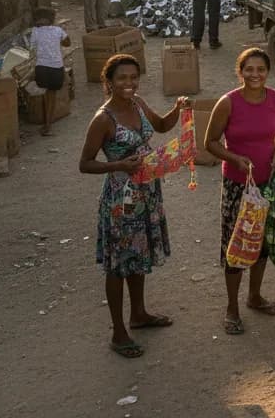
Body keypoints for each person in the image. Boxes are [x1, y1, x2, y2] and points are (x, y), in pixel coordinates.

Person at [79, 54, 189, 358]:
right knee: (117, 265)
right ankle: (118, 332)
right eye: (122, 78)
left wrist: (178, 109)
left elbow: (162, 125)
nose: (129, 83)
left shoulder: (137, 103)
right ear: (108, 81)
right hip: (121, 200)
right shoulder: (103, 119)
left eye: (133, 77)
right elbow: (85, 164)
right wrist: (118, 165)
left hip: (146, 192)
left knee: (137, 255)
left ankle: (138, 314)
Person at [204, 47, 275, 336]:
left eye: (261, 69)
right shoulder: (228, 102)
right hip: (237, 186)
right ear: (240, 72)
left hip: (267, 184)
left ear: (268, 72)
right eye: (249, 69)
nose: (255, 74)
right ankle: (232, 308)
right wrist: (234, 158)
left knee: (262, 243)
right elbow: (210, 142)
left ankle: (254, 296)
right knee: (236, 246)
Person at [30, 7, 71, 136]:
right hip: (56, 68)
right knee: (51, 95)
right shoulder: (58, 30)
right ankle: (48, 124)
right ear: (52, 19)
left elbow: (32, 47)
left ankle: (45, 121)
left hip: (41, 68)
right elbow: (68, 43)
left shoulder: (35, 31)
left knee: (44, 93)